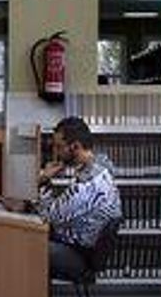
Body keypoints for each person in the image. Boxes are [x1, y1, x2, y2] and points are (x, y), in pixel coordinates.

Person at [36, 116, 122, 282]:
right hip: (79, 245)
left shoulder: (87, 186)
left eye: (59, 147)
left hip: (79, 255)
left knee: (23, 245)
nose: (56, 153)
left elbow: (46, 218)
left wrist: (43, 180)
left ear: (75, 146)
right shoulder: (100, 168)